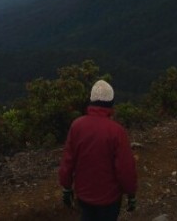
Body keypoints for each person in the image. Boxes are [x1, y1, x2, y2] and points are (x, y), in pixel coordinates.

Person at [59, 80, 138, 220]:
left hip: (83, 195)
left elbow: (68, 160)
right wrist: (130, 193)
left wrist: (66, 187)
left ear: (91, 100)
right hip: (109, 199)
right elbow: (125, 168)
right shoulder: (116, 131)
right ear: (111, 103)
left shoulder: (77, 125)